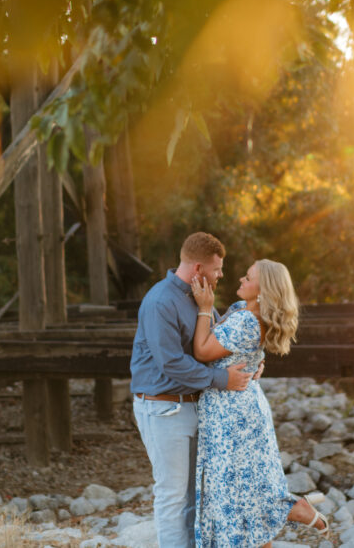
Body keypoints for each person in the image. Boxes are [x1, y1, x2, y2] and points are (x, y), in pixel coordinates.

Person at [191, 259, 329, 548]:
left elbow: (203, 351)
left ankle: (294, 509)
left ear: (263, 289)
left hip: (231, 411)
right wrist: (258, 359)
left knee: (233, 492)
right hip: (243, 404)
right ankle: (295, 509)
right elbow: (241, 349)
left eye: (248, 277)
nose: (241, 279)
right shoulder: (248, 313)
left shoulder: (246, 320)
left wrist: (205, 306)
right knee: (245, 491)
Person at [130, 232, 254, 548]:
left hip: (191, 406)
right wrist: (222, 380)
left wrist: (252, 357)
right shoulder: (160, 301)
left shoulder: (201, 299)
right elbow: (171, 363)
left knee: (192, 494)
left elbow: (212, 342)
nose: (221, 275)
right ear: (198, 268)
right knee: (173, 495)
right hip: (163, 407)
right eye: (217, 269)